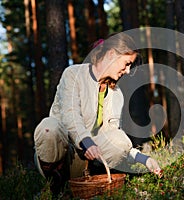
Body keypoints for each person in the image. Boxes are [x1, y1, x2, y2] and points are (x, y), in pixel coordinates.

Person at [33, 32, 162, 195]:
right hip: (63, 154)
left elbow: (115, 139)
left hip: (84, 163)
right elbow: (70, 115)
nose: (128, 71)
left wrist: (145, 159)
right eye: (127, 63)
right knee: (48, 127)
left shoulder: (117, 94)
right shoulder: (73, 74)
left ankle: (88, 181)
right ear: (111, 54)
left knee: (120, 139)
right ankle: (56, 186)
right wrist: (86, 142)